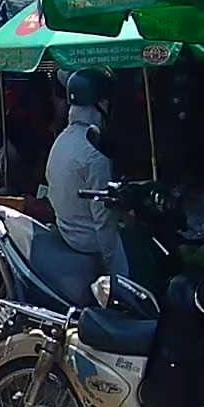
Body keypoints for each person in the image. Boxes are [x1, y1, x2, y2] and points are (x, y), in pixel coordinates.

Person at [44, 69, 125, 276]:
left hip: (66, 234)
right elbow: (104, 220)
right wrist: (113, 270)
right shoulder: (94, 153)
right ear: (102, 104)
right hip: (90, 244)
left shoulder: (62, 140)